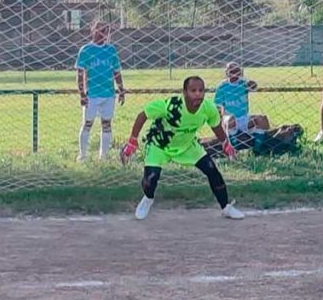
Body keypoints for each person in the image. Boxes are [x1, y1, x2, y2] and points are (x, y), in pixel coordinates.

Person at [119, 76, 244, 221]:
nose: (198, 94)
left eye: (201, 90)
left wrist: (225, 144)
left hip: (187, 146)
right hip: (159, 145)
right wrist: (132, 141)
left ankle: (226, 207)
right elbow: (143, 115)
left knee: (212, 170)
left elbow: (216, 127)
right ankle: (148, 198)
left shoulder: (208, 108)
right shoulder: (172, 105)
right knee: (151, 179)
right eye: (193, 90)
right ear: (184, 92)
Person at [75, 21, 125, 162]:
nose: (104, 33)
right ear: (93, 31)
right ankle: (82, 156)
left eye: (106, 31)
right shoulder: (85, 50)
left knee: (107, 124)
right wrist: (82, 93)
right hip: (92, 95)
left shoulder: (111, 50)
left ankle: (103, 157)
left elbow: (116, 72)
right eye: (101, 30)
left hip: (108, 94)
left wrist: (121, 90)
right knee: (87, 124)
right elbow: (80, 74)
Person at [213, 61, 271, 149]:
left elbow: (254, 87)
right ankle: (233, 148)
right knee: (231, 120)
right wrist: (220, 125)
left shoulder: (243, 83)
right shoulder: (222, 86)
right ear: (227, 72)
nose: (235, 73)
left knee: (262, 119)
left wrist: (251, 83)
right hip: (229, 120)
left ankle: (257, 148)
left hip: (244, 118)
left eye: (237, 71)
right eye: (232, 71)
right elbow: (217, 106)